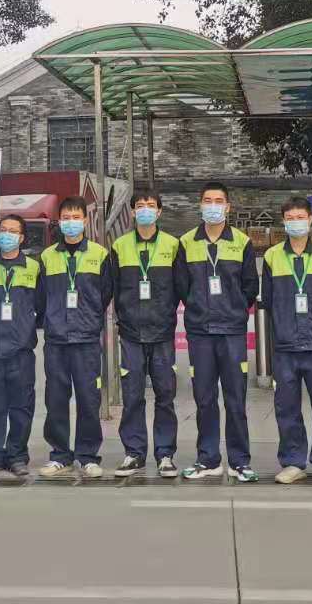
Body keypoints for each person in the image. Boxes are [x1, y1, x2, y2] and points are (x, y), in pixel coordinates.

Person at [177, 182, 260, 481]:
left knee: (236, 399)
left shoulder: (242, 242)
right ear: (200, 205)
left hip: (232, 332)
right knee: (204, 398)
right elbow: (181, 286)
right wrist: (199, 306)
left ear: (228, 207)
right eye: (208, 200)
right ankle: (208, 458)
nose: (213, 205)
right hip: (200, 332)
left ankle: (240, 461)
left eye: (218, 201)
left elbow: (250, 286)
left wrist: (233, 309)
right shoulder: (186, 242)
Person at [261, 198, 312, 486]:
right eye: (290, 218)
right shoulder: (272, 257)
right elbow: (268, 299)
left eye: (300, 217)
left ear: (309, 220)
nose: (296, 222)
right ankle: (294, 462)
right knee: (286, 407)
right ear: (284, 222)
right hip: (285, 345)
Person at [108, 190, 185, 478]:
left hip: (162, 333)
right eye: (139, 206)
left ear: (159, 212)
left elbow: (181, 287)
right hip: (130, 333)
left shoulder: (173, 245)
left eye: (150, 206)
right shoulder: (119, 246)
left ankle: (165, 454)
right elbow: (114, 288)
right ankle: (134, 453)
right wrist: (124, 317)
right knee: (132, 395)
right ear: (131, 212)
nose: (145, 210)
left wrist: (166, 315)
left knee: (165, 395)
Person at [37, 196, 115, 478]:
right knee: (56, 399)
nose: (71, 222)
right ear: (59, 221)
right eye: (66, 218)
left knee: (88, 399)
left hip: (86, 340)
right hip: (56, 340)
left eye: (76, 217)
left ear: (85, 220)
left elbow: (105, 293)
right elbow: (41, 297)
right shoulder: (47, 256)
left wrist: (89, 318)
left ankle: (88, 455)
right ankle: (60, 455)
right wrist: (53, 319)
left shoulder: (99, 254)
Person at [0, 215, 41, 482]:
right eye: (3, 230)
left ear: (22, 238)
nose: (6, 235)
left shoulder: (33, 267)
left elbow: (42, 304)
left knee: (21, 406)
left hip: (21, 351)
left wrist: (26, 329)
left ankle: (17, 456)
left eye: (12, 231)